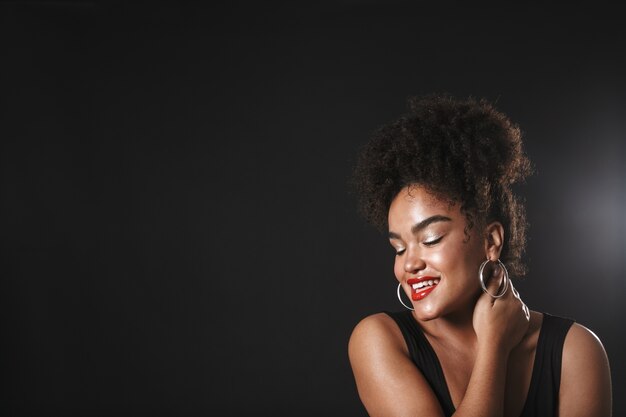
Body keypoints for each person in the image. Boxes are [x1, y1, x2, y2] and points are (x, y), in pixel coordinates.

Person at [348, 95, 612, 417]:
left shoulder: (576, 351)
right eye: (399, 248)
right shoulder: (379, 341)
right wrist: (493, 346)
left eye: (430, 239)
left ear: (491, 240)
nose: (409, 264)